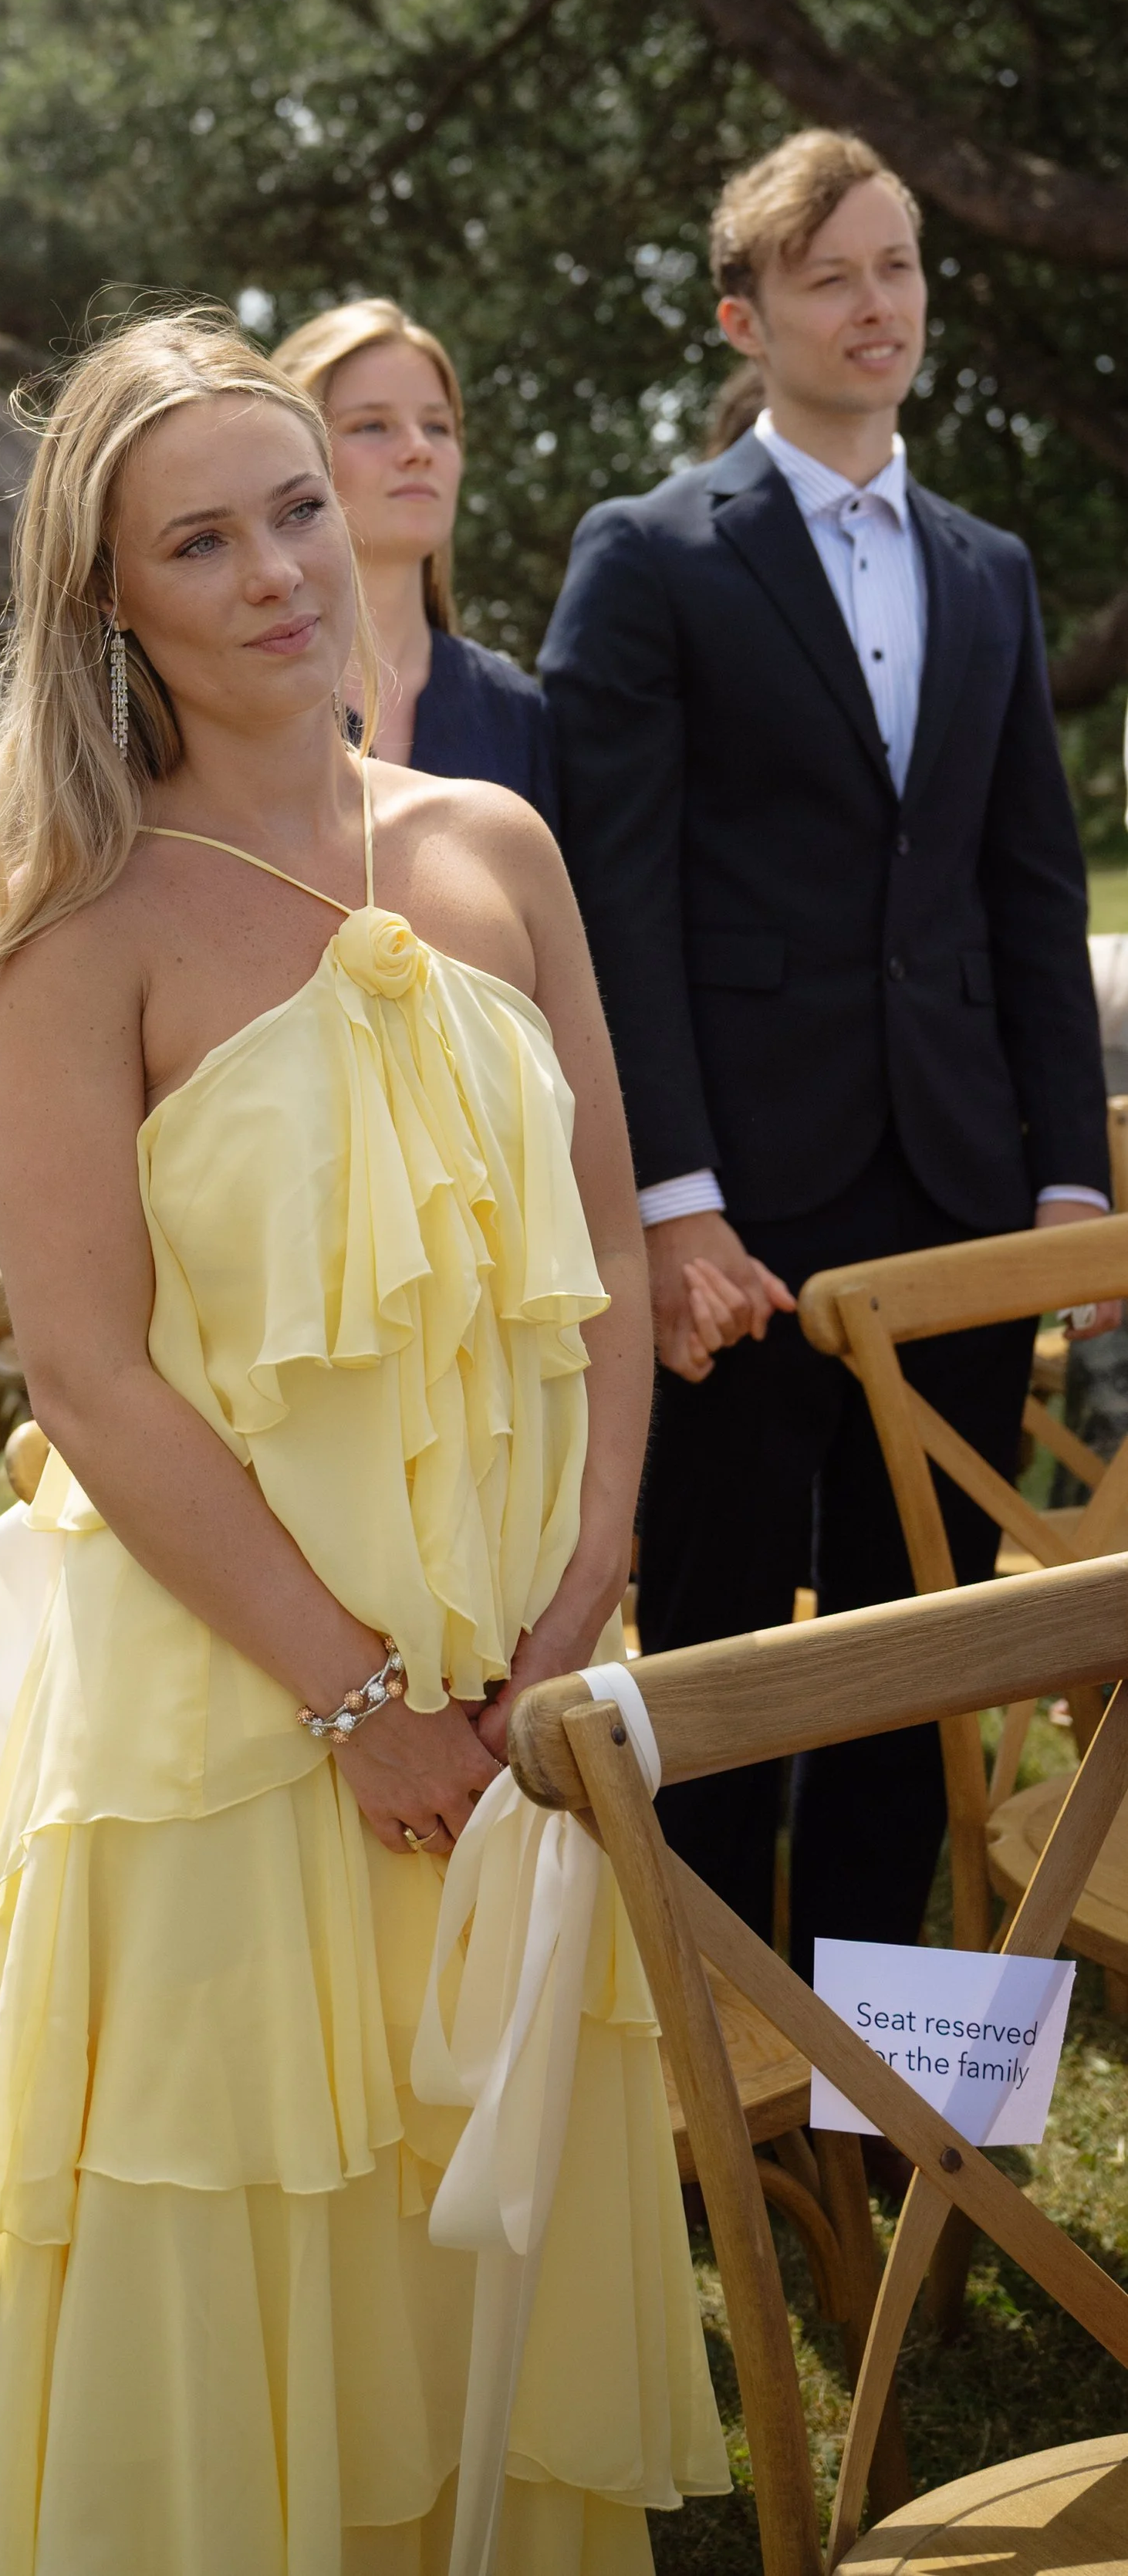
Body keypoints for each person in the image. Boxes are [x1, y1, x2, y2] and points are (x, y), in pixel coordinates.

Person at [0, 313, 724, 2568]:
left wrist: (576, 1593)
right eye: (204, 535)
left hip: (520, 1671)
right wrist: (355, 1700)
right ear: (109, 598)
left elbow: (602, 1241)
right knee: (249, 2219)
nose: (279, 564)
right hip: (244, 1708)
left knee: (482, 2221)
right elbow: (87, 1373)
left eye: (293, 503)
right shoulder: (72, 934)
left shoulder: (497, 842)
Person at [539, 132, 1113, 1966]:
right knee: (718, 1645)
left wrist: (1066, 1177)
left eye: (900, 269)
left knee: (916, 1642)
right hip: (741, 1220)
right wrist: (672, 1202)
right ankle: (712, 2080)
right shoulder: (647, 556)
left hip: (958, 1186)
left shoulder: (989, 567)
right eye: (832, 277)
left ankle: (884, 2069)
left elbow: (1030, 884)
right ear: (747, 314)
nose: (881, 307)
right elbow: (609, 909)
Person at [272, 297, 559, 822]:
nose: (417, 449)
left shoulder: (515, 712)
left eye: (437, 427)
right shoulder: (238, 698)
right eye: (372, 426)